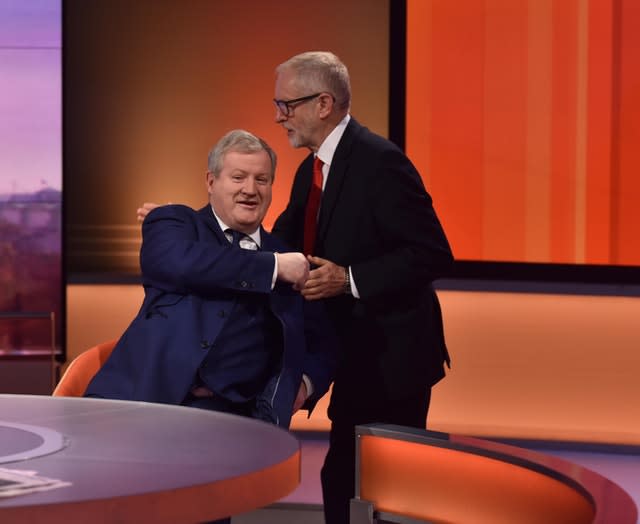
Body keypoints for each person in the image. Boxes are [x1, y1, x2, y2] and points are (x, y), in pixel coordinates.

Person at [137, 51, 453, 524]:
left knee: (381, 492)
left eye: (286, 105)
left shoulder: (381, 162)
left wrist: (347, 279)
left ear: (323, 104)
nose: (277, 116)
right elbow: (274, 246)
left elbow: (432, 254)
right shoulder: (313, 169)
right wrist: (185, 222)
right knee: (345, 480)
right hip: (352, 351)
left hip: (393, 360)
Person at [87, 129, 336, 434]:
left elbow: (325, 340)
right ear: (210, 182)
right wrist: (272, 267)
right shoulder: (175, 224)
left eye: (261, 180)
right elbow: (178, 263)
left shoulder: (289, 257)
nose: (250, 189)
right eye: (238, 177)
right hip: (143, 402)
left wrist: (302, 386)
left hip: (237, 419)